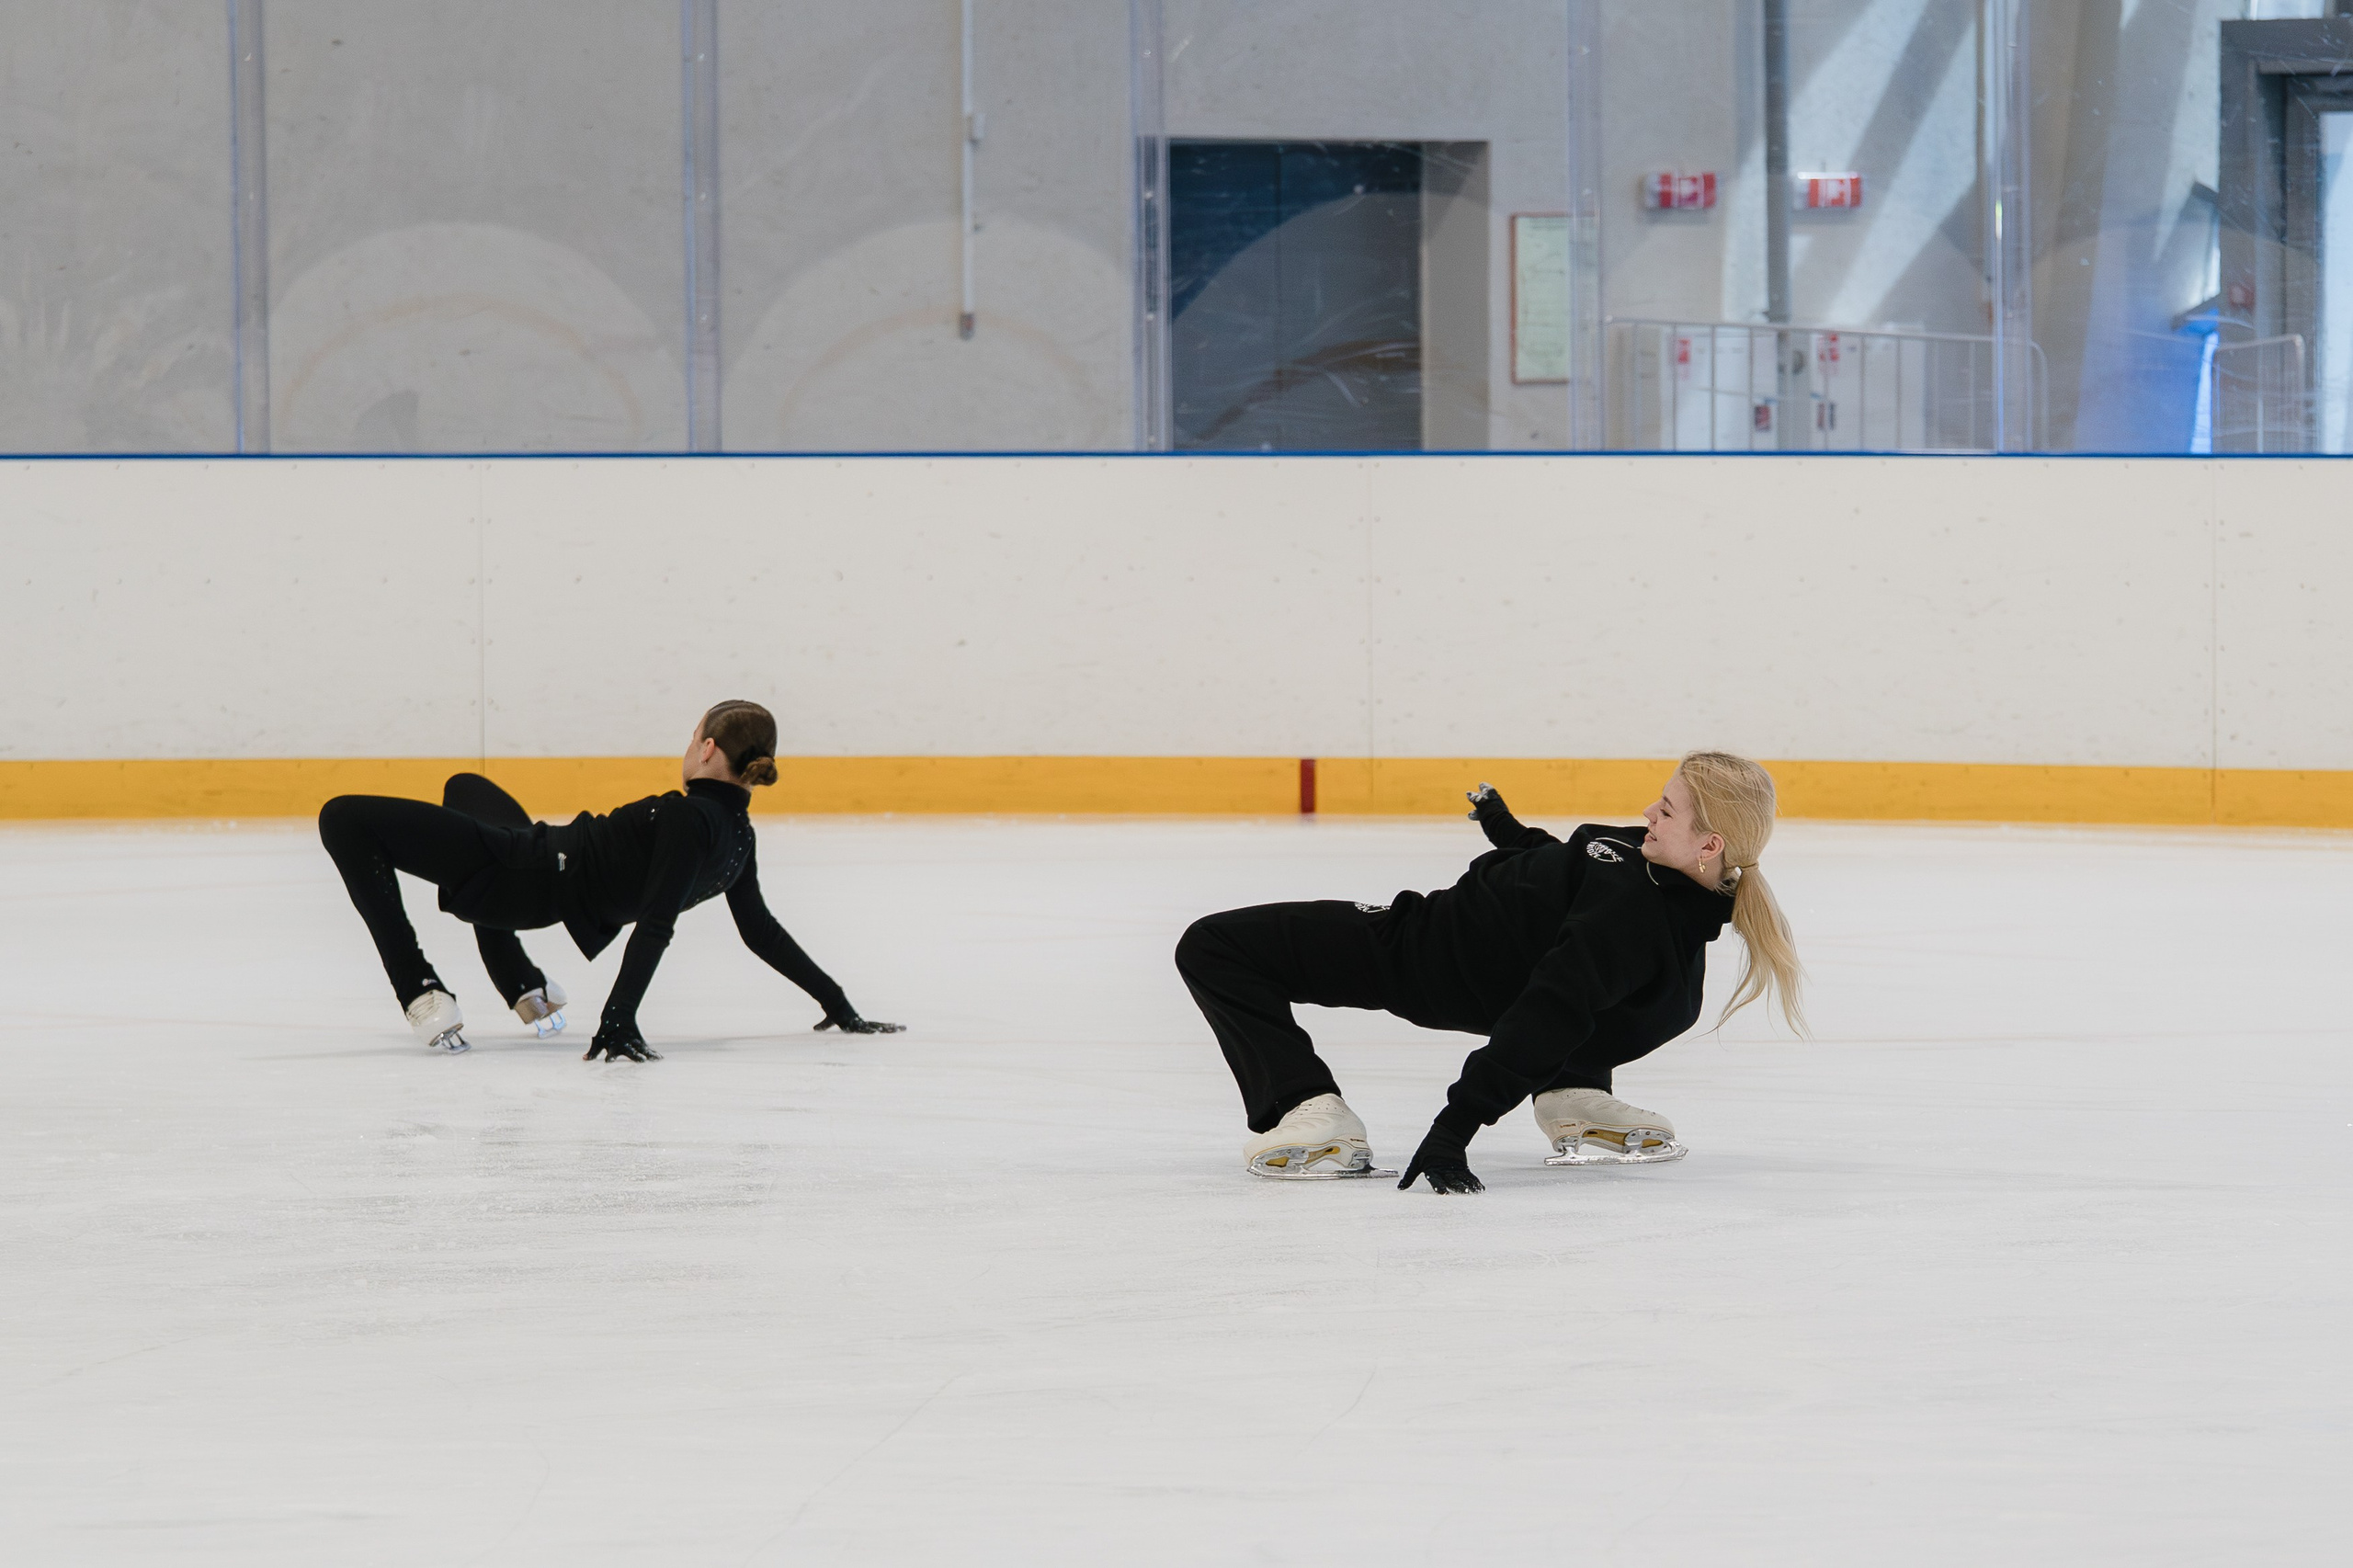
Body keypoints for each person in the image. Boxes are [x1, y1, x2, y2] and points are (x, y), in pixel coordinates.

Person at [1174, 752, 1802, 1192]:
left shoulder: (1633, 921)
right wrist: (1505, 828)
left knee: (1214, 946)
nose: (1648, 812)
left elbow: (1551, 1010)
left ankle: (1309, 1108)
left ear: (1709, 845)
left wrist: (1455, 1129)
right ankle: (1570, 1094)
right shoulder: (1647, 857)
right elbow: (1570, 863)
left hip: (1420, 952)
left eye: (1665, 810)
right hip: (1470, 945)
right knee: (1573, 985)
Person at [318, 699, 901, 1060]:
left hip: (514, 873)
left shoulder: (685, 820)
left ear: (707, 748)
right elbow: (762, 932)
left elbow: (656, 923)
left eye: (691, 738)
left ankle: (419, 988)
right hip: (532, 877)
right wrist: (838, 1002)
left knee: (342, 817)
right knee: (467, 787)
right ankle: (523, 984)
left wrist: (619, 1019)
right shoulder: (737, 839)